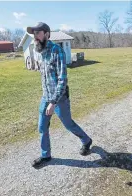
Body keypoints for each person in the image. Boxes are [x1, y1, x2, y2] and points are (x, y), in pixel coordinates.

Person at [27, 22, 93, 168]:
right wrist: (47, 98)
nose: (35, 36)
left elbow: (62, 80)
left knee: (68, 124)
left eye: (38, 33)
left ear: (47, 34)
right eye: (34, 34)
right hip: (46, 97)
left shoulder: (57, 51)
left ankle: (86, 140)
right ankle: (46, 155)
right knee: (42, 126)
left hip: (59, 98)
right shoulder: (41, 52)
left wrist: (53, 102)